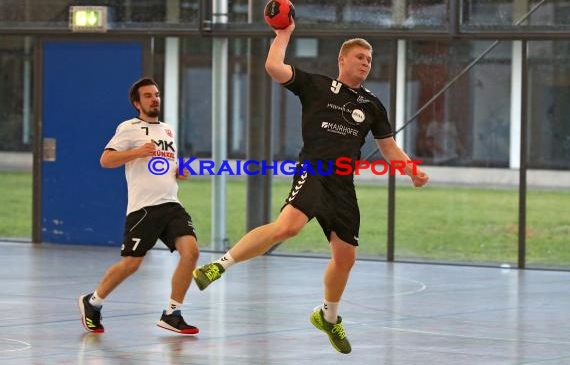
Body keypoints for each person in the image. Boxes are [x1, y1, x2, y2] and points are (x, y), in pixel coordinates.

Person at [193, 21, 429, 354]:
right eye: (360, 57)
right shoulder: (317, 86)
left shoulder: (372, 105)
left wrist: (412, 171)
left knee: (345, 258)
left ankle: (328, 317)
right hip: (315, 169)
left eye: (370, 60)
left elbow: (389, 148)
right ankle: (218, 265)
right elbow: (274, 67)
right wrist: (283, 34)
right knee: (287, 228)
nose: (366, 63)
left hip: (342, 184)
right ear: (342, 60)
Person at [78, 77, 200, 335]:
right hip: (144, 209)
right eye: (148, 96)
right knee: (131, 265)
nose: (154, 99)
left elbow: (164, 164)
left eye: (156, 94)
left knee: (191, 253)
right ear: (137, 103)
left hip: (171, 203)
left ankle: (172, 313)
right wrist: (136, 152)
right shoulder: (129, 127)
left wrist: (178, 171)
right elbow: (106, 160)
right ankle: (93, 302)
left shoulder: (168, 130)